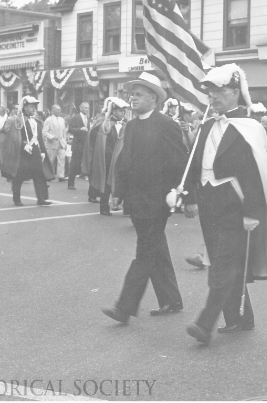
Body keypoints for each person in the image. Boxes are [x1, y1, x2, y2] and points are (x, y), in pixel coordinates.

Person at [178, 64, 267, 345]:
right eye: (210, 92)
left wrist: (251, 212)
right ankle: (239, 318)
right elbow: (195, 164)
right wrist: (187, 197)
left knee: (223, 266)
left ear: (235, 92)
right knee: (221, 263)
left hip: (235, 204)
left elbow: (256, 174)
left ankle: (205, 323)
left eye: (219, 91)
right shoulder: (207, 125)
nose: (213, 97)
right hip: (209, 203)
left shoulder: (251, 128)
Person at [102, 72, 187, 324]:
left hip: (157, 202)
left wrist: (183, 197)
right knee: (156, 249)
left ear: (153, 98)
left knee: (144, 254)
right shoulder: (131, 125)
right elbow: (124, 162)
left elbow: (179, 163)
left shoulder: (166, 125)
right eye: (131, 94)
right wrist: (118, 193)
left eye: (138, 95)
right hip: (136, 200)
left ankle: (124, 307)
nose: (132, 99)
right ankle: (171, 299)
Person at [2, 96, 51, 206]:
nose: (34, 109)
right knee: (19, 175)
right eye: (31, 107)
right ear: (24, 108)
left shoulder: (37, 121)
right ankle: (16, 199)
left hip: (35, 150)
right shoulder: (18, 120)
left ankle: (41, 198)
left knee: (39, 174)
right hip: (23, 151)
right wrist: (24, 144)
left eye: (35, 107)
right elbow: (14, 135)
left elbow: (39, 137)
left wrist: (42, 151)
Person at [85, 97, 129, 215]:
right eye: (120, 111)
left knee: (124, 181)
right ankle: (104, 208)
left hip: (122, 158)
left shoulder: (126, 124)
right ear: (113, 111)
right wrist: (112, 153)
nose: (123, 113)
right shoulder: (105, 124)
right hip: (108, 159)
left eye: (124, 111)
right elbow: (96, 138)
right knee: (106, 184)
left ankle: (126, 207)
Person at [67, 102, 90, 190]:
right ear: (81, 108)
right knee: (74, 164)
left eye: (88, 108)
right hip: (77, 144)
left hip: (85, 144)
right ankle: (71, 183)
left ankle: (82, 174)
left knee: (84, 163)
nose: (87, 110)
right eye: (85, 108)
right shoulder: (75, 117)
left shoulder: (87, 118)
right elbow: (70, 129)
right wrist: (80, 129)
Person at [43, 104, 68, 182]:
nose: (59, 111)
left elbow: (64, 132)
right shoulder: (48, 120)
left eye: (60, 109)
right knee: (50, 159)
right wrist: (52, 137)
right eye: (57, 109)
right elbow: (44, 132)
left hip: (61, 143)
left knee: (62, 159)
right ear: (53, 110)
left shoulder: (62, 120)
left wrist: (65, 142)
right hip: (52, 143)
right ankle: (47, 175)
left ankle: (61, 176)